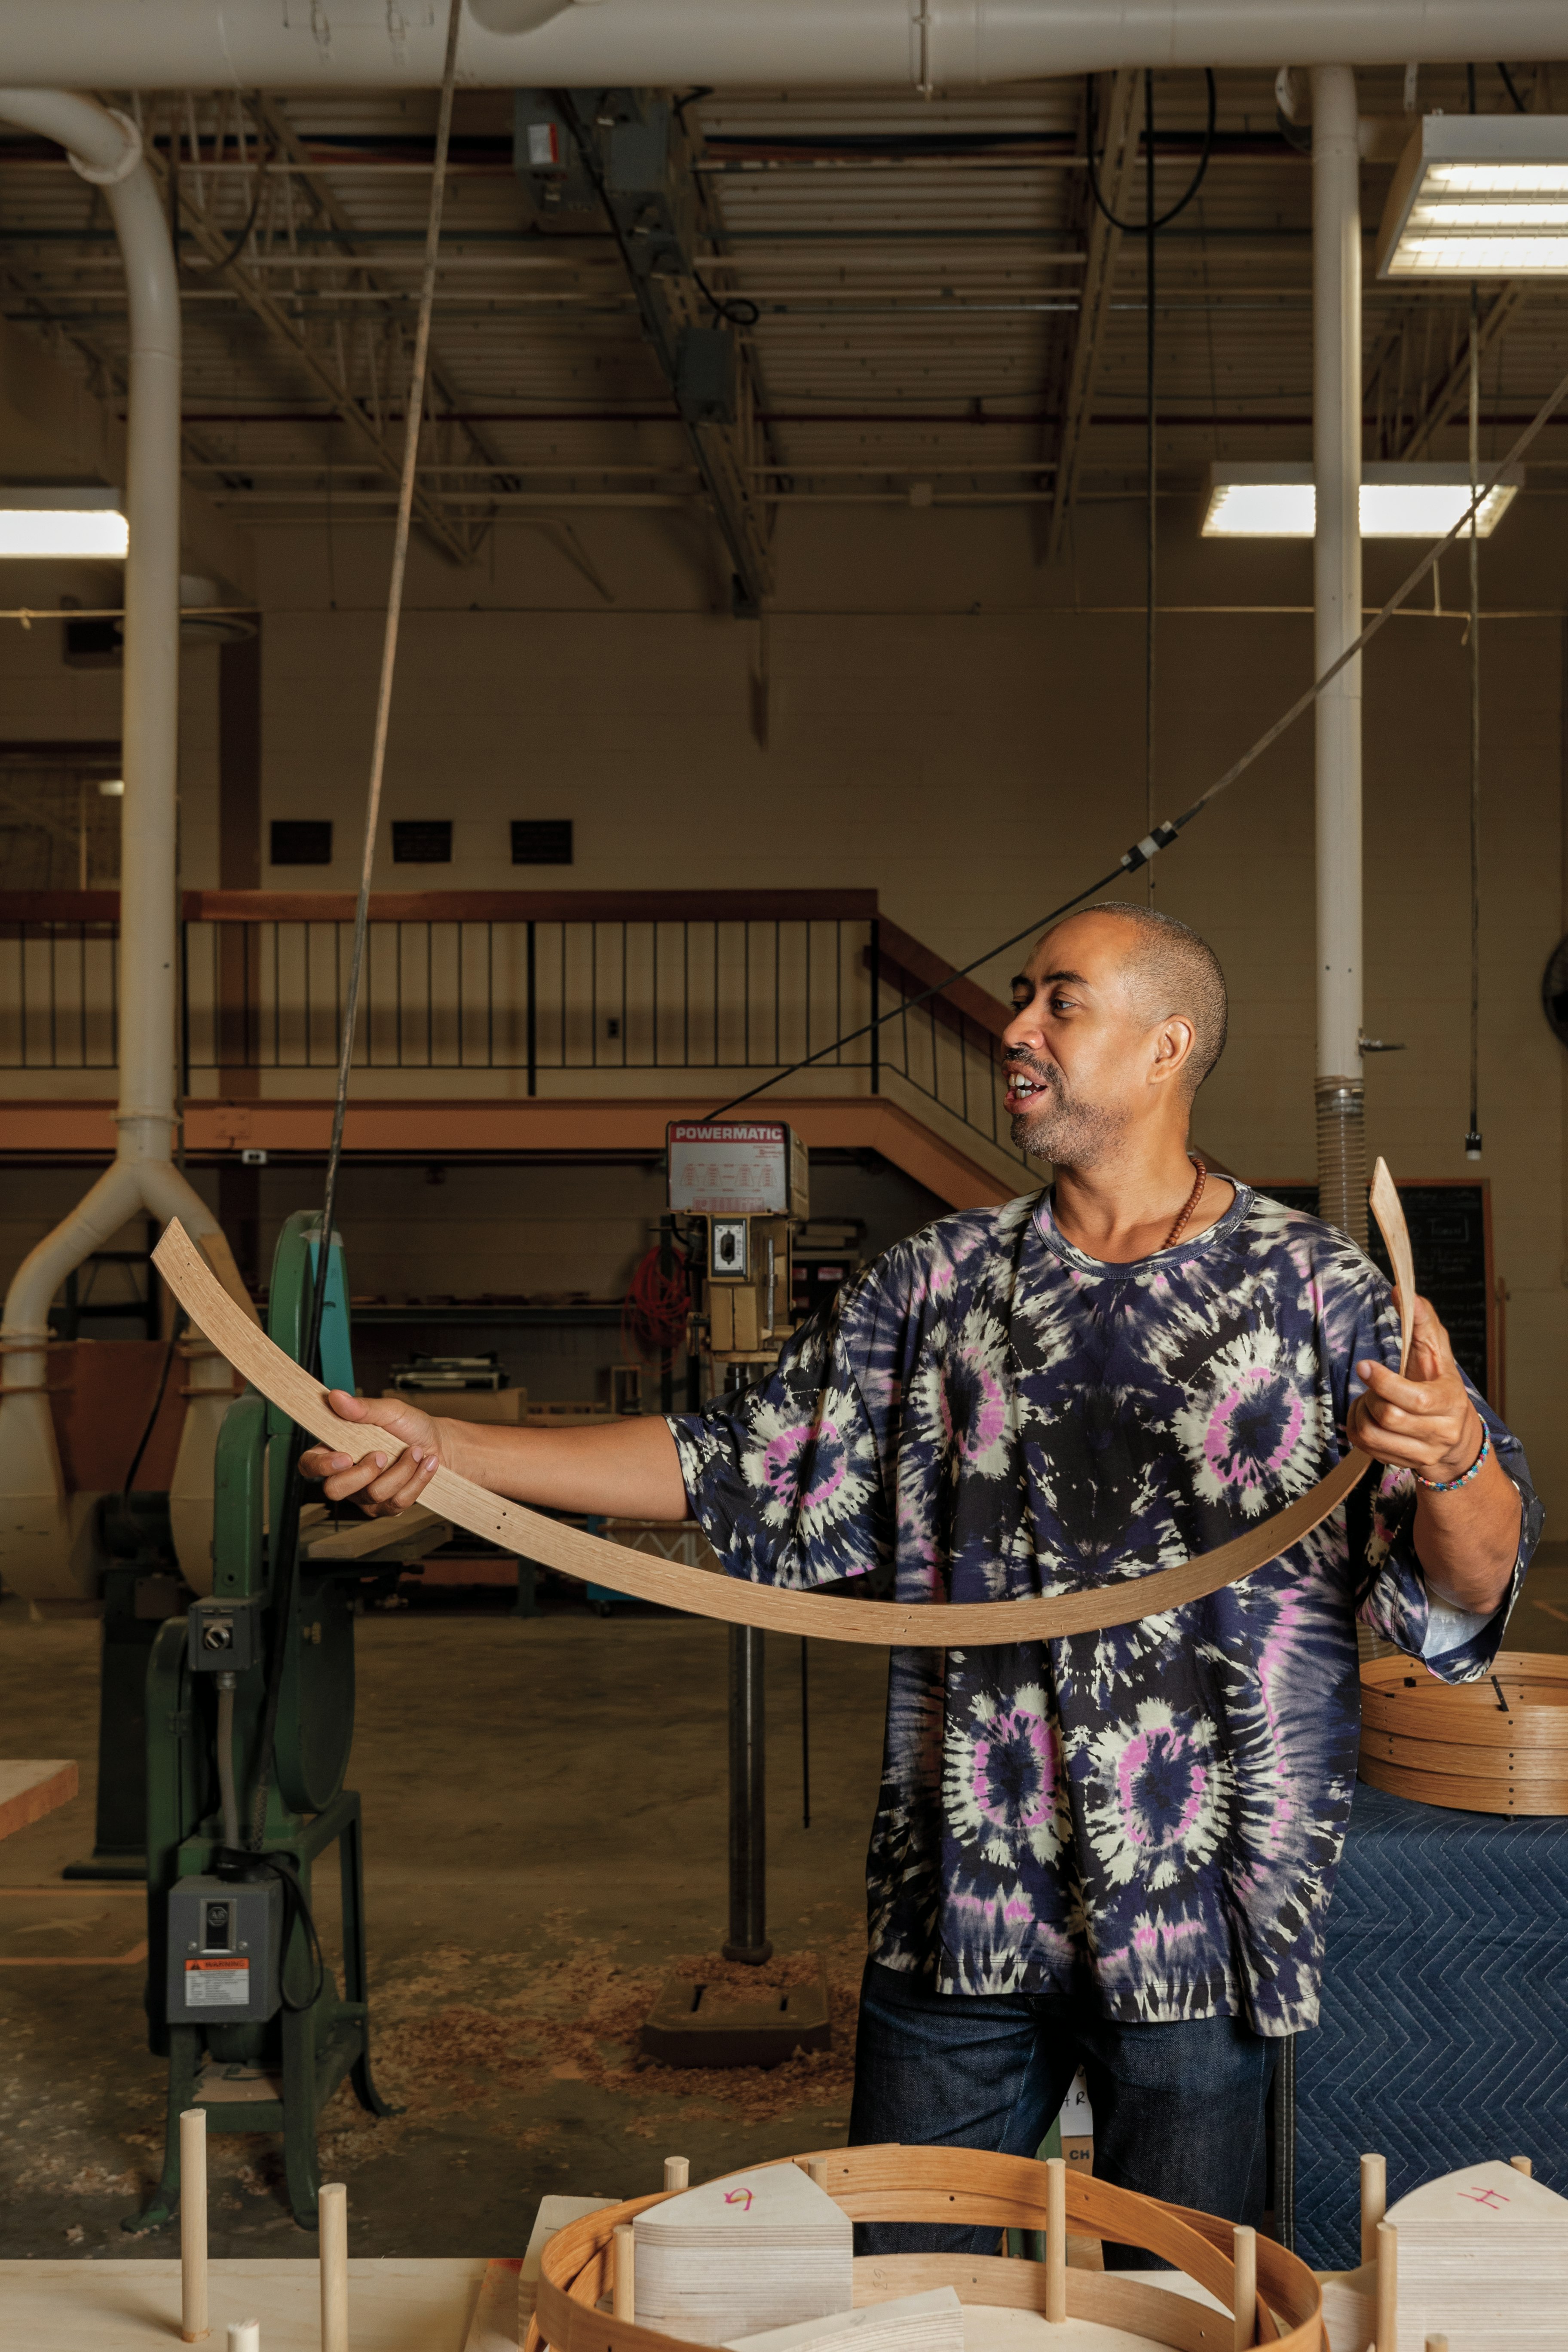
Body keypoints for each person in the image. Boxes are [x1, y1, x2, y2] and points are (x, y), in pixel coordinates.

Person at [301, 902, 1538, 2258]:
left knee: (1172, 2301)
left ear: (1166, 1045)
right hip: (965, 1891)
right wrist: (458, 1447)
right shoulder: (938, 1279)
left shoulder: (1315, 1289)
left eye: (1060, 1002)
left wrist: (1461, 1448)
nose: (1015, 1028)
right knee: (902, 2297)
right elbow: (753, 1467)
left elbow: (1467, 1585)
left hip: (1201, 1902)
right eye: (1021, 997)